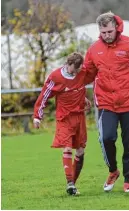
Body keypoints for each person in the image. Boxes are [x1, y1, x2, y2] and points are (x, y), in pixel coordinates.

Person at [83, 12, 129, 193]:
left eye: (109, 31)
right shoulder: (93, 50)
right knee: (106, 138)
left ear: (117, 28)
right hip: (106, 102)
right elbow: (86, 75)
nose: (106, 36)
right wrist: (78, 95)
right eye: (103, 33)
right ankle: (113, 171)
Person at [33, 52, 91, 195]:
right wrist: (37, 116)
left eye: (79, 70)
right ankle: (70, 183)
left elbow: (79, 86)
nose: (77, 72)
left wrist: (83, 99)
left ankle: (72, 185)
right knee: (67, 148)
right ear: (69, 64)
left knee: (81, 151)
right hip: (64, 118)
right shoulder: (55, 77)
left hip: (79, 117)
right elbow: (44, 96)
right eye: (75, 69)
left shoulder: (82, 71)